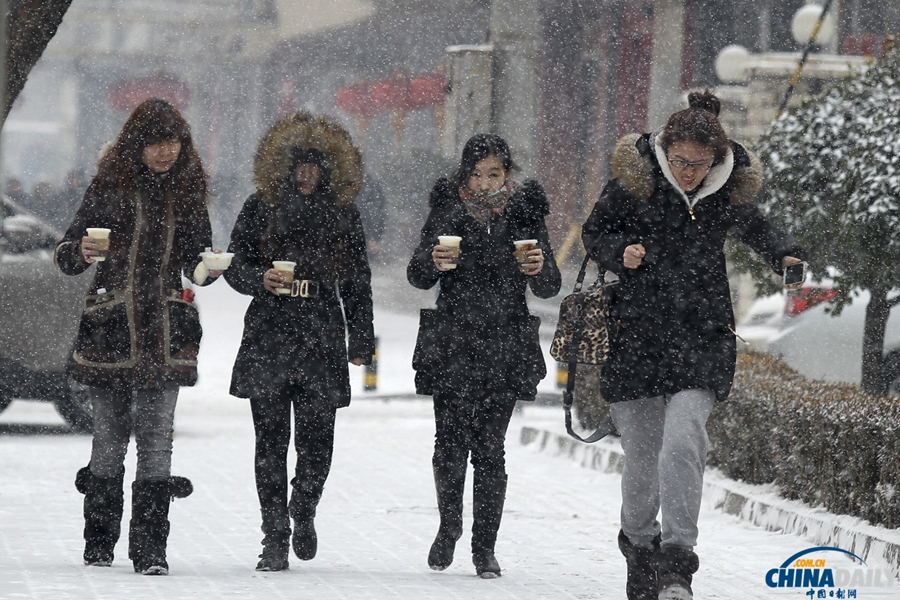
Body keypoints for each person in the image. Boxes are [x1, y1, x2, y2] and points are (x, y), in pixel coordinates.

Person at [581, 90, 807, 600]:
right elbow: (595, 232)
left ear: (717, 160)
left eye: (699, 164)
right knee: (641, 458)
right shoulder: (635, 184)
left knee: (683, 445)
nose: (689, 172)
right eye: (681, 161)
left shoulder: (724, 190)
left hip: (700, 336)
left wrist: (787, 256)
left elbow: (759, 228)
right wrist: (622, 252)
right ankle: (639, 548)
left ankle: (677, 562)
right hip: (636, 336)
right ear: (665, 150)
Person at [55, 98, 221, 575]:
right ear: (137, 145)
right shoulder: (108, 188)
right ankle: (100, 541)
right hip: (111, 326)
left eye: (172, 142)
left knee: (156, 441)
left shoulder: (188, 192)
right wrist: (81, 249)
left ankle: (151, 550)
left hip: (167, 330)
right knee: (108, 438)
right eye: (155, 143)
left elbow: (197, 261)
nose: (165, 151)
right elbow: (66, 255)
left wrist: (207, 270)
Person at [224, 111, 375, 572]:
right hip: (270, 329)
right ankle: (274, 533)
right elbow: (233, 263)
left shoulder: (343, 214)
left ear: (330, 170)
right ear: (284, 169)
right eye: (299, 167)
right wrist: (258, 277)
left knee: (316, 442)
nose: (307, 176)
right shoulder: (259, 206)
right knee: (269, 441)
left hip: (321, 330)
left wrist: (362, 339)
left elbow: (357, 281)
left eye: (316, 167)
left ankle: (304, 507)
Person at [407, 133, 561, 578]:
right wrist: (434, 261)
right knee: (449, 447)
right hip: (453, 339)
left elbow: (549, 284)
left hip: (505, 341)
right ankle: (449, 525)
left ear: (507, 174)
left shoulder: (525, 212)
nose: (483, 183)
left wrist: (537, 268)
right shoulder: (448, 209)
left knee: (490, 449)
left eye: (493, 173)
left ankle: (484, 547)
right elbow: (416, 274)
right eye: (475, 174)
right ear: (465, 174)